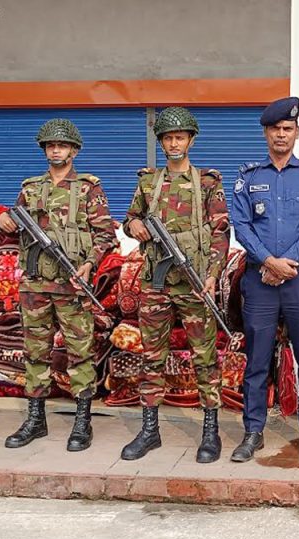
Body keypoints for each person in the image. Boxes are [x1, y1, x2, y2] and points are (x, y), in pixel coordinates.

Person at [0, 118, 117, 452]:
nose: (56, 150)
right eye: (51, 145)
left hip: (72, 284)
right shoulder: (30, 188)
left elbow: (105, 234)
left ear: (74, 150)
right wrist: (4, 219)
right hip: (35, 284)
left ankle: (82, 420)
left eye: (62, 145)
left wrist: (88, 265)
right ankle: (35, 418)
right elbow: (12, 224)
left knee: (80, 353)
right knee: (35, 352)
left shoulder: (88, 188)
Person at [119, 107, 230, 463]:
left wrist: (212, 275)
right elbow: (130, 217)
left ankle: (210, 431)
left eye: (180, 137)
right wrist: (132, 226)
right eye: (168, 138)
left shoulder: (208, 182)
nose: (174, 143)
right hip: (156, 282)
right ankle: (150, 429)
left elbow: (220, 232)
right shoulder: (149, 182)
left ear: (191, 140)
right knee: (152, 356)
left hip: (195, 283)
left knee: (205, 358)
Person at [228, 97, 299, 464]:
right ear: (266, 133)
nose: (281, 135)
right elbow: (240, 225)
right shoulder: (248, 175)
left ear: (297, 132)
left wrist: (288, 263)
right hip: (259, 279)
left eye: (288, 129)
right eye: (275, 129)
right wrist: (269, 262)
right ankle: (253, 431)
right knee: (256, 360)